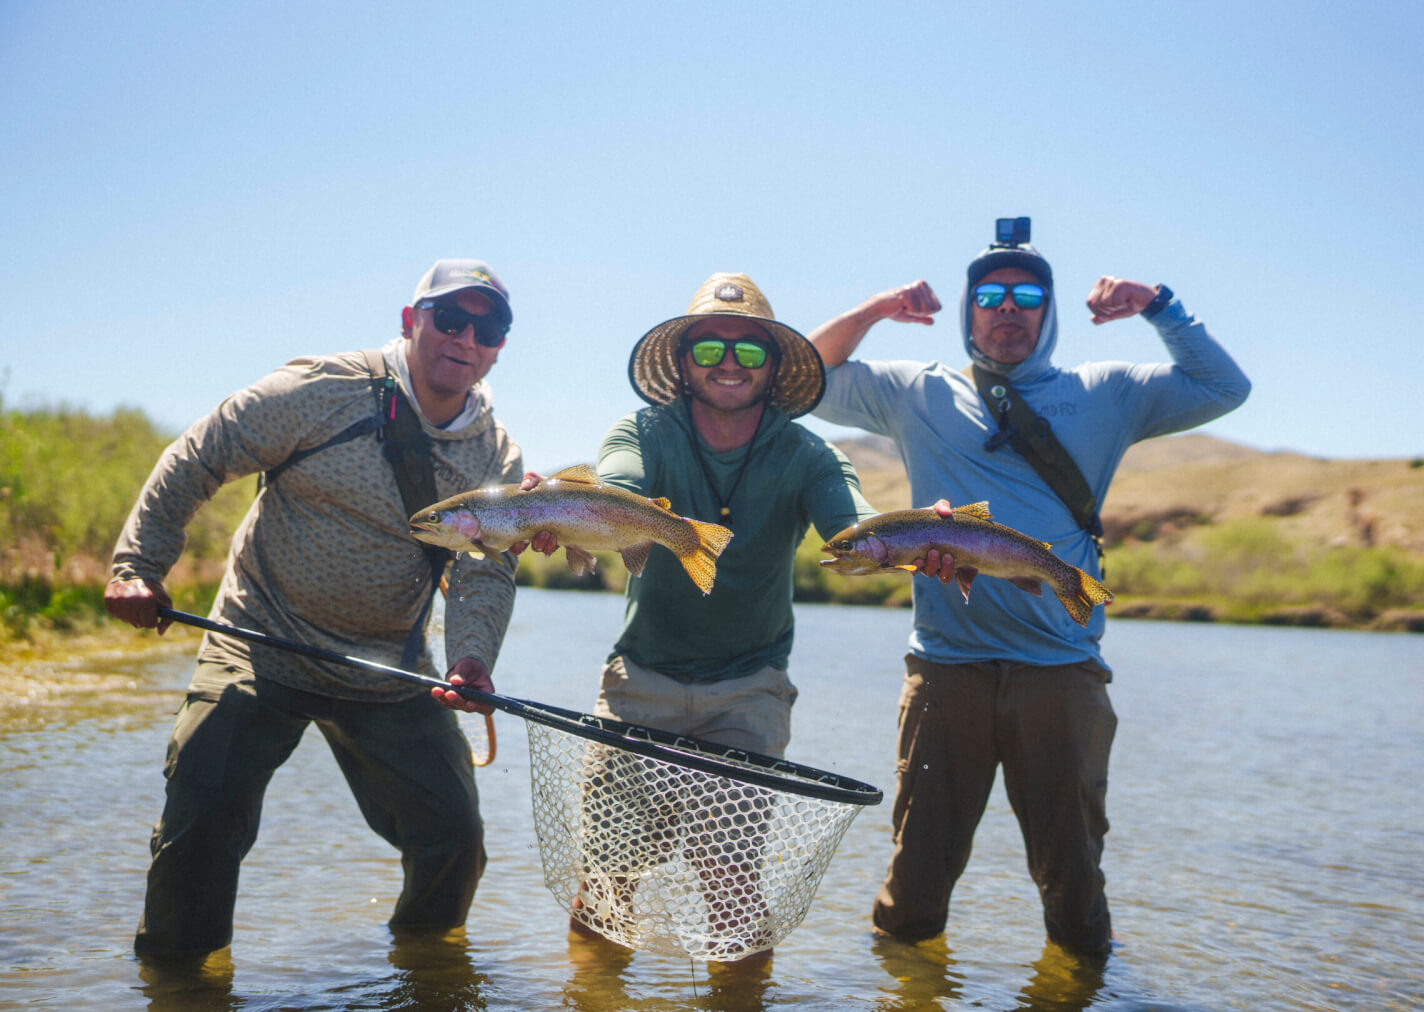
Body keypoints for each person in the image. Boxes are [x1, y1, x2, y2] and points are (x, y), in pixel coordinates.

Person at [806, 221, 1251, 955]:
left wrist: (1158, 304)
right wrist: (875, 310)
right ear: (967, 309)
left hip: (1062, 675)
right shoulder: (915, 392)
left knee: (1073, 890)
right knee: (914, 891)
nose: (1006, 308)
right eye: (989, 295)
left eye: (1025, 295)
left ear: (1047, 314)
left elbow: (1225, 386)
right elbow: (805, 378)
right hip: (946, 670)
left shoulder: (1105, 391)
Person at [105, 258, 525, 957]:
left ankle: (423, 984)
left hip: (389, 667)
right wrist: (137, 566)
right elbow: (201, 453)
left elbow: (487, 570)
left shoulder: (496, 458)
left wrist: (471, 659)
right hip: (257, 641)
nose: (466, 338)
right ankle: (180, 1001)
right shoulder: (322, 389)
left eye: (489, 327)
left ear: (501, 345)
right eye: (449, 318)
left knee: (454, 838)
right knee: (202, 825)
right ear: (409, 322)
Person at [519, 272, 875, 955]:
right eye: (710, 349)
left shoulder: (808, 453)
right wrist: (563, 511)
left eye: (749, 351)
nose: (730, 365)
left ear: (774, 368)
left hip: (749, 690)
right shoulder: (643, 430)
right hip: (640, 685)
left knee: (731, 887)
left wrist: (922, 535)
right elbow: (618, 484)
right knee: (605, 888)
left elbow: (852, 525)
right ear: (684, 364)